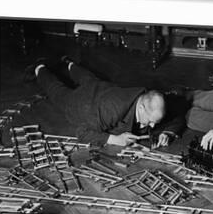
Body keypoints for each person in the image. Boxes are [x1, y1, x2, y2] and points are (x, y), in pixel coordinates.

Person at [27, 57, 182, 147]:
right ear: (141, 108)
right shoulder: (111, 110)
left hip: (102, 89)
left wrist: (167, 132)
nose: (154, 126)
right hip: (84, 105)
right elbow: (82, 133)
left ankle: (69, 63)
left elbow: (178, 117)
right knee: (58, 92)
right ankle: (39, 68)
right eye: (151, 121)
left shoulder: (151, 104)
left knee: (89, 79)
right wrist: (115, 140)